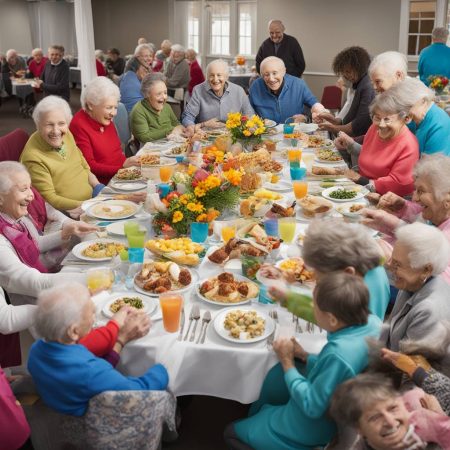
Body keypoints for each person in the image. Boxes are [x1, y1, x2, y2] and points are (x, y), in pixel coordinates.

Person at [225, 273, 381, 450]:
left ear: (332, 319)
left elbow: (312, 406)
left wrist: (287, 361)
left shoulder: (338, 353)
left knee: (231, 431)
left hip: (310, 426)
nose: (312, 311)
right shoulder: (373, 324)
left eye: (315, 307)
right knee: (268, 396)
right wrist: (306, 356)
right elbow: (337, 374)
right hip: (335, 409)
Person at [28, 283, 169, 416]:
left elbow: (98, 372)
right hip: (97, 428)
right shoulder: (89, 372)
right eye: (91, 313)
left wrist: (121, 338)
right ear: (74, 331)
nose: (94, 318)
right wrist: (163, 369)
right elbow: (138, 392)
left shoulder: (35, 351)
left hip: (59, 415)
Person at [0, 162, 98, 307]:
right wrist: (93, 279)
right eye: (23, 189)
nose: (32, 196)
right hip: (37, 310)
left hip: (47, 288)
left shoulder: (17, 219)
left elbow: (36, 244)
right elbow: (35, 283)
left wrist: (67, 231)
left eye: (30, 187)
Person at [362, 154, 450, 284]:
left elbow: (434, 281)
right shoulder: (438, 217)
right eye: (415, 190)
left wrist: (393, 260)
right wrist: (399, 210)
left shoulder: (446, 237)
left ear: (447, 200)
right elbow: (420, 230)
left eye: (421, 191)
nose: (414, 198)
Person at [20, 96, 104, 213]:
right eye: (49, 124)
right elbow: (50, 199)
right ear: (38, 125)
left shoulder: (67, 134)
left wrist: (98, 188)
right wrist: (89, 205)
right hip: (67, 212)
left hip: (91, 199)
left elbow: (84, 166)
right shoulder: (33, 157)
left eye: (61, 123)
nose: (56, 131)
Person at [295, 220, 390, 320]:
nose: (315, 277)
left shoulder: (358, 300)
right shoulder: (368, 265)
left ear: (347, 273)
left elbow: (328, 319)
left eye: (319, 275)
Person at [330, 373, 450, 450]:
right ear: (359, 429)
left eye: (393, 408)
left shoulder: (425, 422)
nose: (390, 422)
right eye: (375, 417)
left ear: (402, 404)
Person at [380, 223, 450, 352]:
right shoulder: (413, 282)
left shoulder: (428, 311)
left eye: (397, 264)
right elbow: (389, 327)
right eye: (392, 260)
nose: (390, 267)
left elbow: (406, 366)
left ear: (426, 269)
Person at [339, 91, 419, 196]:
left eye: (387, 119)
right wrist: (350, 144)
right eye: (377, 118)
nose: (381, 125)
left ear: (405, 119)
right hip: (361, 188)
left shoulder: (409, 145)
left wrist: (360, 180)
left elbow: (399, 184)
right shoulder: (374, 129)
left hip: (388, 200)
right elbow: (371, 156)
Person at [70, 77, 139, 184]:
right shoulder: (79, 125)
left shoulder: (103, 117)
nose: (114, 113)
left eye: (115, 107)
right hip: (106, 184)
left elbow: (117, 153)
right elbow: (89, 167)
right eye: (109, 107)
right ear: (90, 105)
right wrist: (122, 168)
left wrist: (128, 167)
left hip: (123, 176)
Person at [182, 59, 254, 134]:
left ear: (226, 77)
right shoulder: (198, 90)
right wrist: (191, 127)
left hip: (233, 136)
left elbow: (249, 114)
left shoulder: (238, 91)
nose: (215, 79)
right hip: (205, 136)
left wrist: (249, 125)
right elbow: (188, 116)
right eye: (211, 75)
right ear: (207, 77)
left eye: (219, 75)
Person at [316, 46, 375, 137]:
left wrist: (331, 127)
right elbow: (352, 117)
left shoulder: (367, 86)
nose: (345, 76)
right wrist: (335, 120)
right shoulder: (359, 83)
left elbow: (358, 127)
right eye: (343, 72)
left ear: (359, 68)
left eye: (348, 72)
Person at [249, 56, 326, 124]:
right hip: (265, 134)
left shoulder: (298, 84)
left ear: (284, 71)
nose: (271, 79)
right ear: (261, 75)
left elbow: (314, 104)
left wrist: (306, 118)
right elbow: (248, 111)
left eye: (275, 73)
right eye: (266, 74)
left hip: (294, 133)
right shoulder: (256, 86)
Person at [387, 78, 450, 156]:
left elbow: (432, 165)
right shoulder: (413, 117)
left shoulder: (439, 125)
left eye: (408, 106)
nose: (403, 111)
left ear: (423, 101)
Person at [130, 73, 184, 144]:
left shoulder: (167, 107)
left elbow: (177, 124)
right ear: (147, 94)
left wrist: (179, 128)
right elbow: (144, 137)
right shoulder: (138, 110)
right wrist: (171, 130)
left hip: (169, 145)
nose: (164, 97)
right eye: (159, 94)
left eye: (165, 93)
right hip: (148, 150)